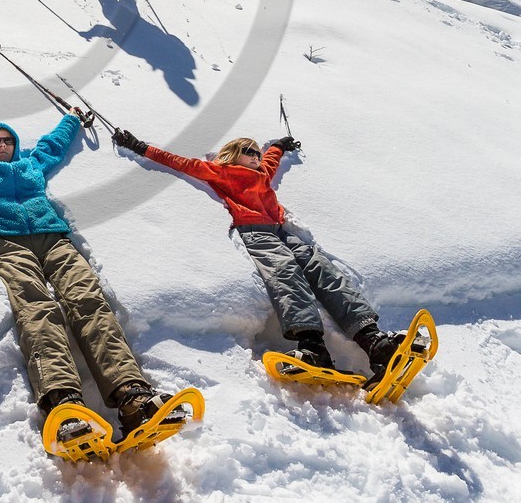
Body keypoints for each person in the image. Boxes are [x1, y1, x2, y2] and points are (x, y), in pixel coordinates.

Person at [0, 95, 174, 445]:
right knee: (37, 310)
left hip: (54, 239)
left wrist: (72, 119)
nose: (2, 145)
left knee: (88, 301)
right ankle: (64, 403)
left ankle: (132, 395)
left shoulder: (32, 165)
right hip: (11, 244)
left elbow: (55, 144)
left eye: (7, 140)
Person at [110, 127, 406, 378]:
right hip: (255, 232)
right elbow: (179, 162)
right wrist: (139, 147)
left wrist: (279, 145)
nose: (255, 155)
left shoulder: (262, 172)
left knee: (321, 268)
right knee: (285, 272)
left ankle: (373, 340)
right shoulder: (221, 171)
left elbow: (272, 158)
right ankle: (312, 346)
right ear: (232, 154)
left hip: (281, 229)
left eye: (256, 151)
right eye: (248, 151)